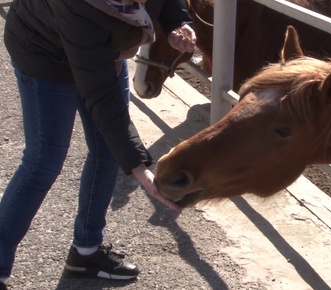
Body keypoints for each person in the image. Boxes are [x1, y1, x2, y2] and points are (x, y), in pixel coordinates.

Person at [0, 0, 196, 288]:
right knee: (43, 162)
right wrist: (141, 170)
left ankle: (86, 252)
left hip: (105, 48)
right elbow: (103, 98)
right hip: (45, 52)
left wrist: (178, 22)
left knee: (107, 152)